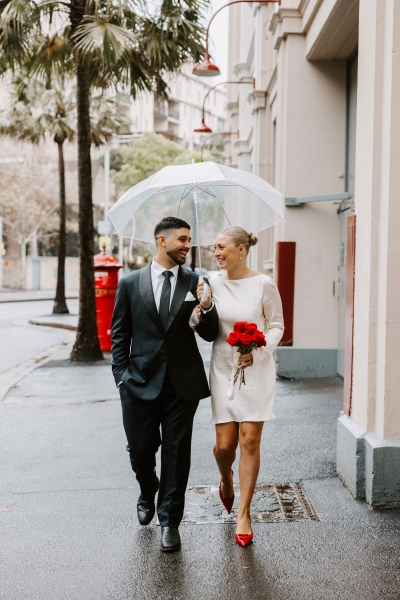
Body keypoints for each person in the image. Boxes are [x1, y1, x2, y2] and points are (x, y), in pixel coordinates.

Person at [111, 217, 218, 553]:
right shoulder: (130, 283)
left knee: (176, 452)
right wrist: (121, 378)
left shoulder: (197, 281)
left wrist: (206, 306)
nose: (187, 245)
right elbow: (120, 335)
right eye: (182, 239)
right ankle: (148, 488)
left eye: (189, 239)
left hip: (182, 385)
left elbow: (210, 333)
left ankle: (170, 521)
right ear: (162, 240)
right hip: (138, 382)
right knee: (141, 450)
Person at [209, 226, 284, 547]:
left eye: (222, 247)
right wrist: (201, 309)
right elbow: (198, 325)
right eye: (215, 247)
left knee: (249, 441)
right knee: (225, 447)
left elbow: (277, 325)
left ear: (241, 250)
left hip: (256, 370)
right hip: (223, 369)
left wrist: (258, 350)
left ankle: (244, 513)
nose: (216, 252)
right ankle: (226, 478)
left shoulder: (264, 284)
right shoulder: (211, 284)